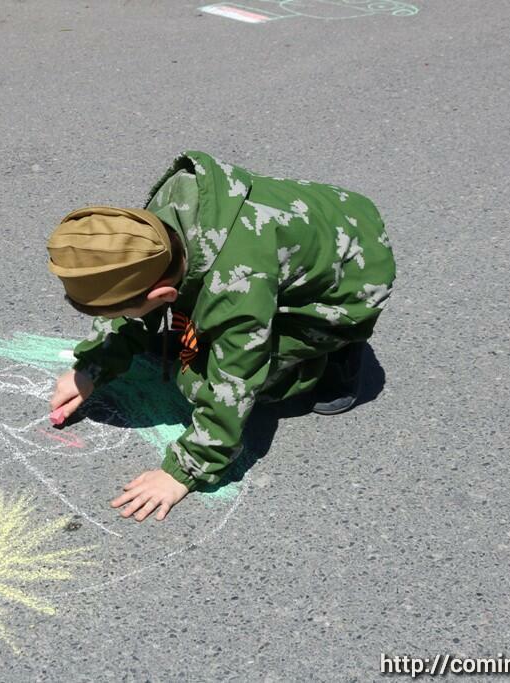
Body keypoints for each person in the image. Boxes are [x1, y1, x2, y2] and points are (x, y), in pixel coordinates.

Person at [46, 151, 396, 522]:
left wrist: (182, 470)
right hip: (326, 221)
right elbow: (129, 290)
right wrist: (92, 366)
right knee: (184, 333)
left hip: (353, 281)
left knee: (199, 380)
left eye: (120, 312)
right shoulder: (155, 223)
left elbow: (235, 381)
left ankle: (332, 360)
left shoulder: (236, 290)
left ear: (162, 296)